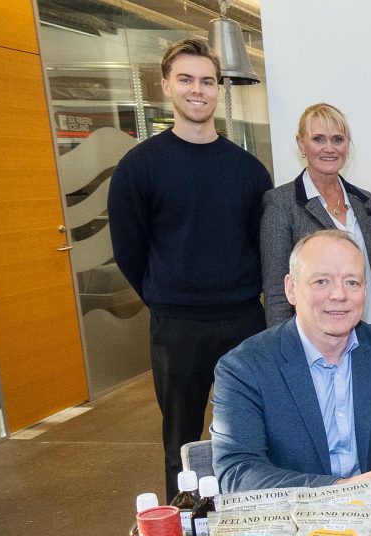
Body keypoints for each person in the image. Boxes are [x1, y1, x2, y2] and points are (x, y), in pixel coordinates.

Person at [108, 37, 271, 495]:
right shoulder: (139, 167)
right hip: (178, 326)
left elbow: (261, 244)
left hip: (245, 319)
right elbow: (129, 250)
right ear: (166, 86)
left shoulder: (248, 170)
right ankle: (185, 524)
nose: (197, 90)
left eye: (207, 81)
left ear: (219, 89)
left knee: (255, 430)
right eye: (186, 79)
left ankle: (254, 515)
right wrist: (166, 296)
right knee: (181, 440)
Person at [211, 230, 371, 514]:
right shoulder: (243, 367)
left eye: (352, 282)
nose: (339, 295)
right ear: (291, 289)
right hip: (296, 525)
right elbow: (238, 473)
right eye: (322, 281)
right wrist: (340, 491)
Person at [261, 103, 371, 329]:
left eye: (337, 139)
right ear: (301, 143)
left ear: (347, 145)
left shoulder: (364, 201)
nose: (329, 148)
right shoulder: (282, 203)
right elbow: (277, 291)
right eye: (318, 139)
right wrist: (285, 344)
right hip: (321, 335)